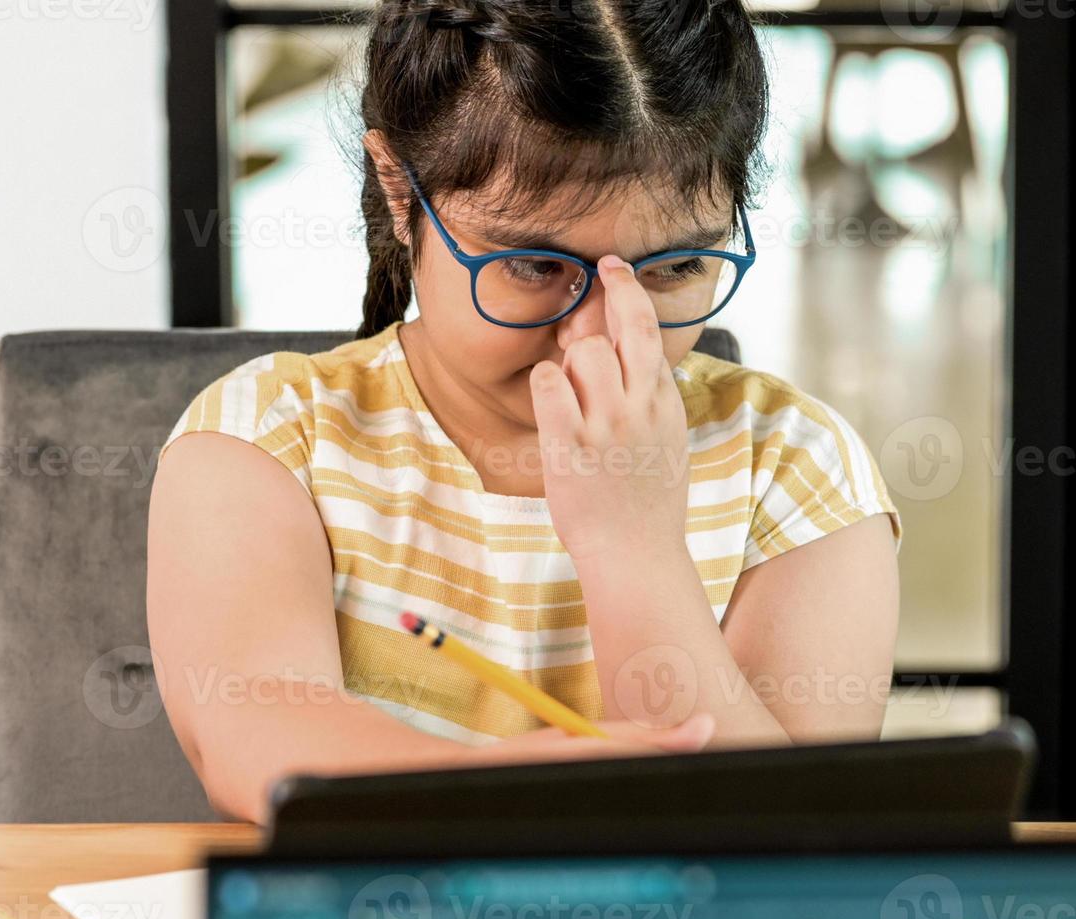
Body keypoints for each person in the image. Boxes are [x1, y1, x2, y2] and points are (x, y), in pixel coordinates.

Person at [146, 0, 900, 824]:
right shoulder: (269, 436)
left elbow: (784, 833)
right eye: (534, 265)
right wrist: (525, 792)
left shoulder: (797, 466)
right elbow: (253, 734)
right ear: (400, 193)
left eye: (676, 265)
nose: (600, 337)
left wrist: (633, 547)